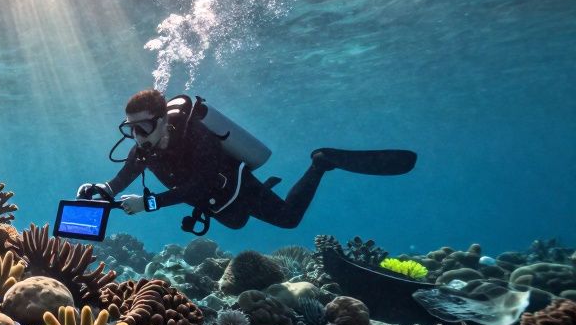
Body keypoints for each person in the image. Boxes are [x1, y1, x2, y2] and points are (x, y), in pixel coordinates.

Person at [77, 89, 417, 235]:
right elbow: (122, 178)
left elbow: (200, 181)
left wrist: (149, 203)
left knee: (288, 220)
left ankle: (321, 162)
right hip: (216, 206)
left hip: (235, 188)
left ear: (163, 119)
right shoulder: (143, 150)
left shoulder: (195, 134)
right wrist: (101, 189)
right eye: (130, 128)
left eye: (144, 126)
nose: (137, 135)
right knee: (236, 223)